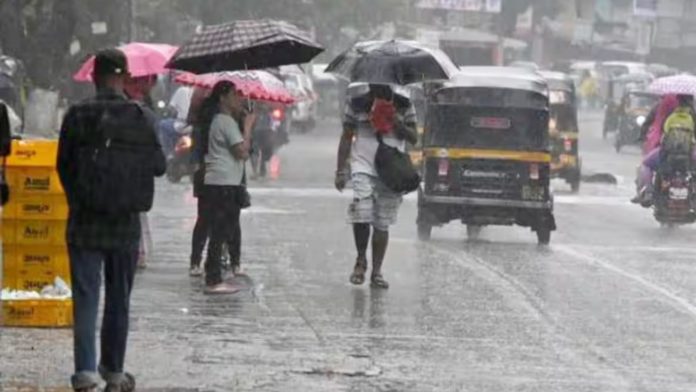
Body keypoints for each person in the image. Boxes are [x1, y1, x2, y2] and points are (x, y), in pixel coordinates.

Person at [57, 48, 166, 392]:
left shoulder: (76, 114)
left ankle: (85, 373)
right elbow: (160, 167)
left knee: (86, 296)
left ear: (94, 76)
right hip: (125, 223)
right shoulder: (142, 116)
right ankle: (114, 371)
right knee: (119, 297)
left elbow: (64, 166)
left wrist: (80, 199)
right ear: (125, 77)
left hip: (85, 221)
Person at [334, 83, 417, 289]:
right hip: (362, 164)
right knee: (362, 211)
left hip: (391, 168)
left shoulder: (404, 105)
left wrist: (397, 123)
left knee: (382, 221)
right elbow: (346, 136)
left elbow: (414, 138)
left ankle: (377, 271)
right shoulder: (356, 104)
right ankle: (361, 260)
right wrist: (341, 170)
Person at [198, 81, 254, 293]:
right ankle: (213, 278)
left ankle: (215, 272)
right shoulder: (224, 122)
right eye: (234, 94)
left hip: (223, 182)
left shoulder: (223, 121)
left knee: (223, 230)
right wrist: (248, 127)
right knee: (220, 231)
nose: (238, 98)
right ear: (223, 98)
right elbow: (241, 151)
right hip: (223, 183)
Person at [635, 94, 696, 206]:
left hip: (667, 154)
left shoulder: (665, 110)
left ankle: (648, 192)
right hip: (689, 154)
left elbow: (661, 130)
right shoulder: (693, 113)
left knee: (646, 164)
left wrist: (642, 137)